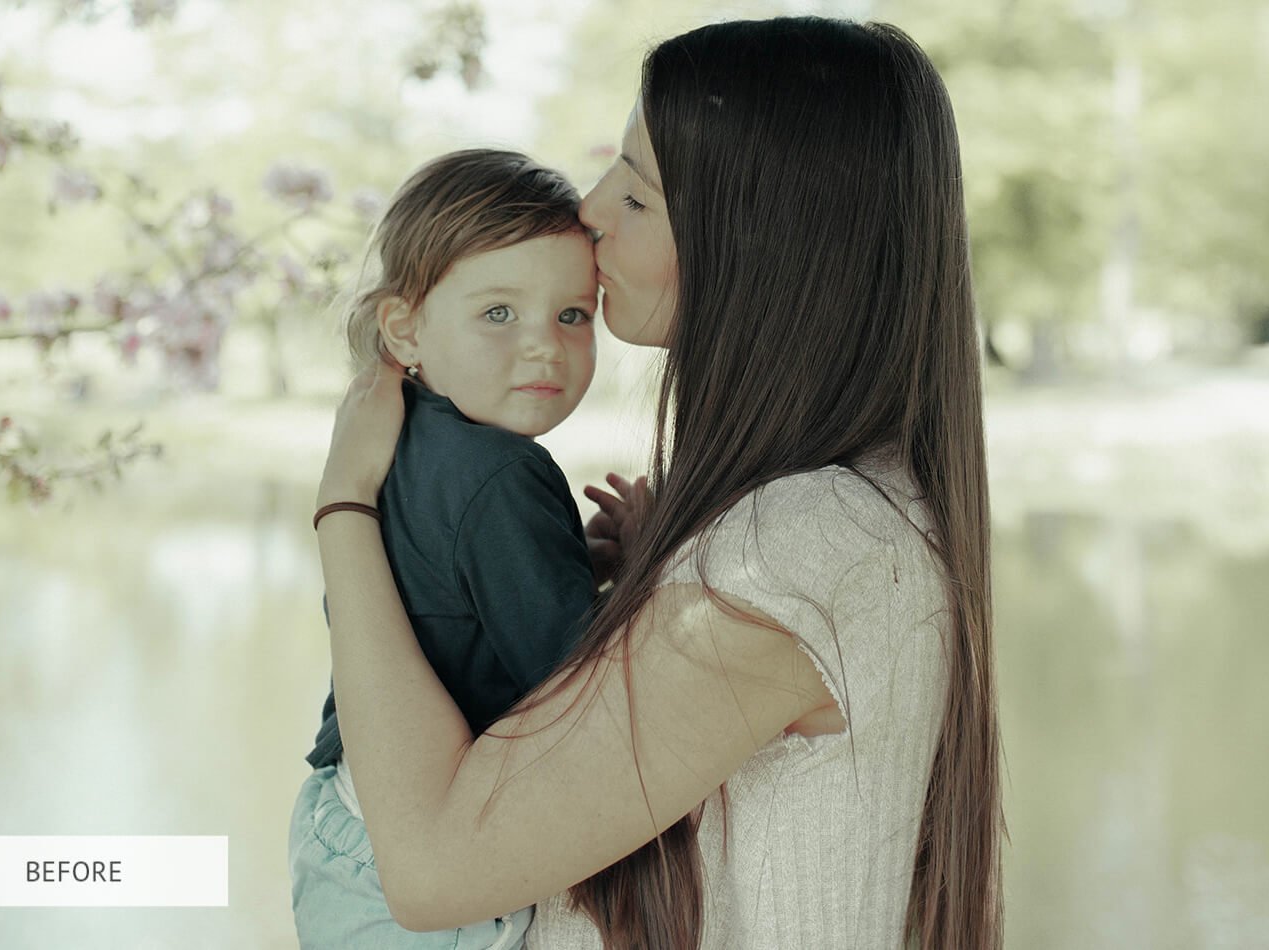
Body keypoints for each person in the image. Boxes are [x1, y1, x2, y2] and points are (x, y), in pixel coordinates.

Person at [313, 17, 1003, 950]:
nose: (589, 210)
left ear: (758, 246)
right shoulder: (799, 522)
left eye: (635, 197)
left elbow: (432, 870)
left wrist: (344, 508)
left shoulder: (803, 547)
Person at [290, 148, 618, 950]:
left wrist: (585, 559)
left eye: (572, 315)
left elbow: (434, 596)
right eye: (499, 313)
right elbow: (576, 683)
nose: (543, 346)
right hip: (423, 865)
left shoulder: (400, 440)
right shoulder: (505, 471)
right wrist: (651, 571)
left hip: (341, 822)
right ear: (405, 328)